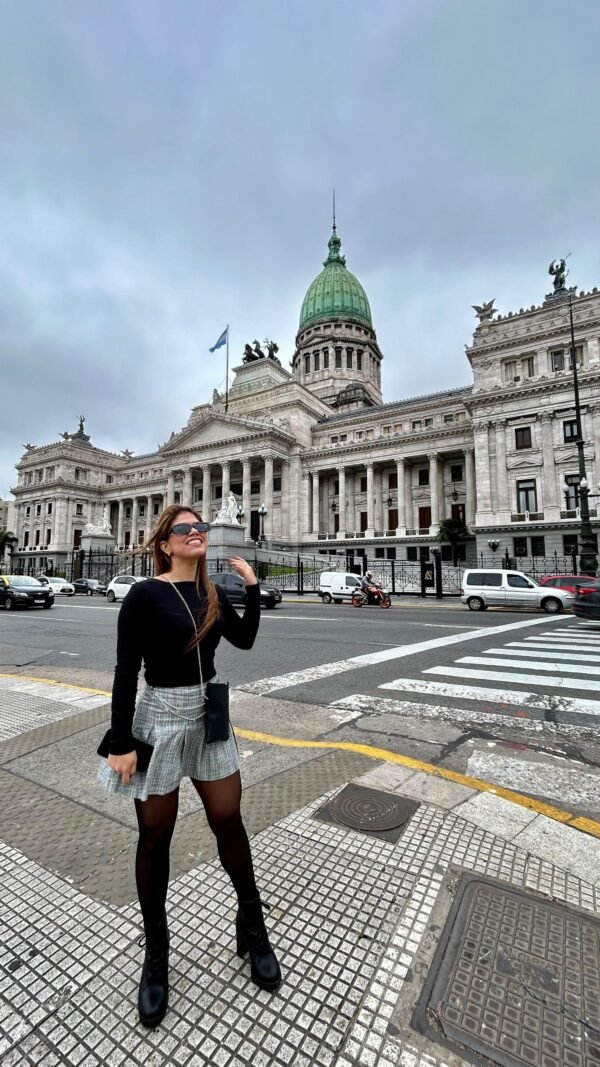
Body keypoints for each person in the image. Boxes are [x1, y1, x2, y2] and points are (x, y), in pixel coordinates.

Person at [98, 504, 281, 1028]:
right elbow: (124, 670)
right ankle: (156, 960)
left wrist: (248, 586)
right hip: (159, 715)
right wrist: (121, 739)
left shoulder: (212, 593)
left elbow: (243, 640)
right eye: (186, 528)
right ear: (165, 543)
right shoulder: (144, 595)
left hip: (209, 712)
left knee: (229, 821)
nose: (198, 532)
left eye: (201, 526)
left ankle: (253, 926)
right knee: (155, 835)